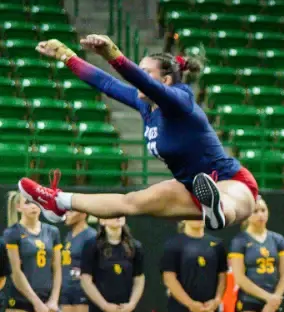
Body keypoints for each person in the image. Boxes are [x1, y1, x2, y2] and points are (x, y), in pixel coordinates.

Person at [22, 36, 257, 228]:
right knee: (130, 201)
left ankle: (217, 211)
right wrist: (66, 56)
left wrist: (112, 54)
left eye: (146, 72)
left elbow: (146, 84)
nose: (139, 80)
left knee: (229, 200)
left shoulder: (180, 101)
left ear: (165, 80)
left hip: (230, 181)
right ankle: (57, 201)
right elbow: (106, 84)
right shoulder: (145, 105)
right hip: (188, 186)